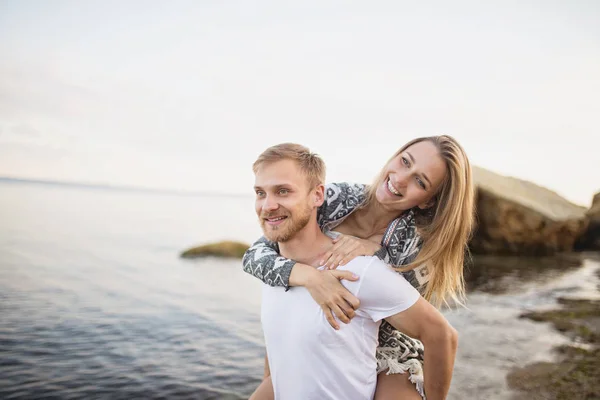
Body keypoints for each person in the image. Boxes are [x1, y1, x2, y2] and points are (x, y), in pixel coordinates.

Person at [243, 135, 475, 399]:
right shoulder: (339, 197)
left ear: (428, 200)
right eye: (404, 162)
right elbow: (257, 253)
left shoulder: (414, 246)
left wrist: (377, 247)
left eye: (420, 181)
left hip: (389, 346)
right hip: (328, 338)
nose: (400, 179)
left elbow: (429, 328)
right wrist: (311, 277)